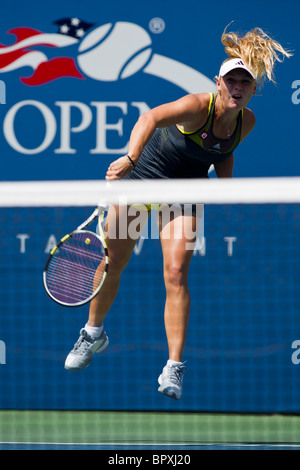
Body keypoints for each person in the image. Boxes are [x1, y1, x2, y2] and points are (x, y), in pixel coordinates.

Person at [64, 27, 291, 400]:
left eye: (244, 82)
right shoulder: (196, 106)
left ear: (253, 90)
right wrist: (130, 158)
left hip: (183, 194)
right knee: (112, 261)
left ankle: (173, 366)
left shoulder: (246, 122)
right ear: (218, 84)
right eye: (230, 80)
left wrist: (227, 187)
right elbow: (149, 118)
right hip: (141, 183)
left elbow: (223, 152)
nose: (237, 87)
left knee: (176, 272)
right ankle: (92, 333)